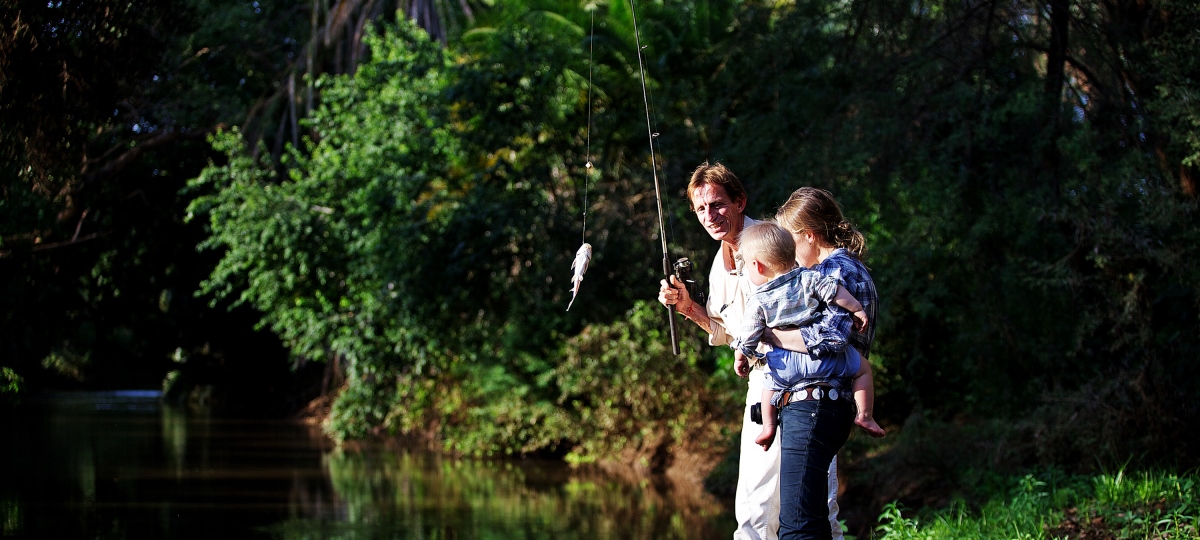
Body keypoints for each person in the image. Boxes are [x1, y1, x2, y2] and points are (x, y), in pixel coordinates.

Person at [658, 163, 845, 540]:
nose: (710, 216)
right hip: (761, 384)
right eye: (700, 209)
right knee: (754, 509)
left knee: (817, 504)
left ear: (740, 201)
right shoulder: (717, 266)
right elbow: (730, 333)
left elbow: (818, 299)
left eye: (717, 204)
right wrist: (689, 309)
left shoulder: (778, 241)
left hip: (805, 379)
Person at [766, 186, 882, 539]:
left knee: (796, 528)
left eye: (789, 241)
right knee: (813, 524)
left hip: (815, 405)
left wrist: (769, 337)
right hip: (826, 407)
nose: (787, 252)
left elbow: (830, 339)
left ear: (809, 236)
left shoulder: (835, 271)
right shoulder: (849, 269)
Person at [730, 221, 874, 451]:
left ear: (757, 267)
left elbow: (747, 336)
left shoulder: (758, 299)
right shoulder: (809, 278)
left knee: (768, 386)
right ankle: (865, 415)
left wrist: (740, 358)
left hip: (785, 366)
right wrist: (857, 309)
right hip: (822, 361)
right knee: (863, 369)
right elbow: (835, 292)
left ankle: (768, 427)